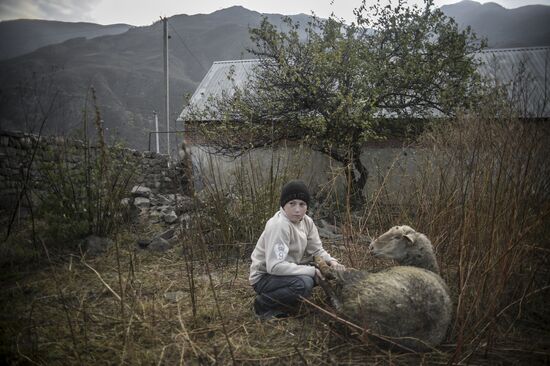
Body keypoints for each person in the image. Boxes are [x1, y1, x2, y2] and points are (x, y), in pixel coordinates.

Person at [249, 180, 345, 320]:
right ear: (283, 205)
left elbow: (316, 250)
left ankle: (287, 300)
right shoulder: (279, 225)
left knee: (320, 273)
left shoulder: (307, 221)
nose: (297, 209)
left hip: (284, 271)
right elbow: (275, 266)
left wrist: (332, 262)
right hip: (264, 277)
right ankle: (263, 305)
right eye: (292, 203)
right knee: (304, 283)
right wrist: (311, 271)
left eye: (302, 204)